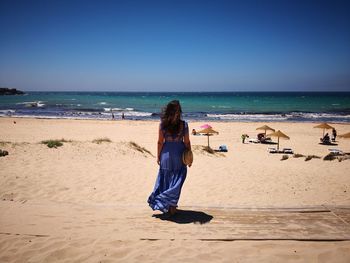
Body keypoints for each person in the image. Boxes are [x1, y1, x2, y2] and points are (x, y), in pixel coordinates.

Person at [148, 100, 191, 216]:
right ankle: (172, 206)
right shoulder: (184, 124)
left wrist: (158, 156)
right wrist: (190, 156)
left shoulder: (163, 124)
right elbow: (187, 142)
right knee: (177, 180)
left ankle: (166, 203)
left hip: (166, 154)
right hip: (179, 154)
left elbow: (159, 142)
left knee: (166, 179)